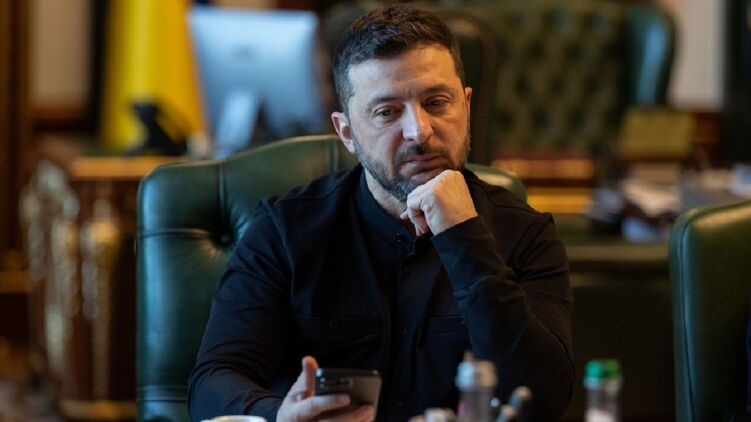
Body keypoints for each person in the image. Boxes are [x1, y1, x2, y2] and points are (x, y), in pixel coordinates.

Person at [188, 5, 574, 421]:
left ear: (465, 106)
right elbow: (213, 384)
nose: (418, 131)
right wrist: (281, 414)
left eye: (436, 102)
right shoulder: (284, 232)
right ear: (347, 132)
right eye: (387, 112)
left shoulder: (525, 234)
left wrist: (465, 239)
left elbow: (545, 399)